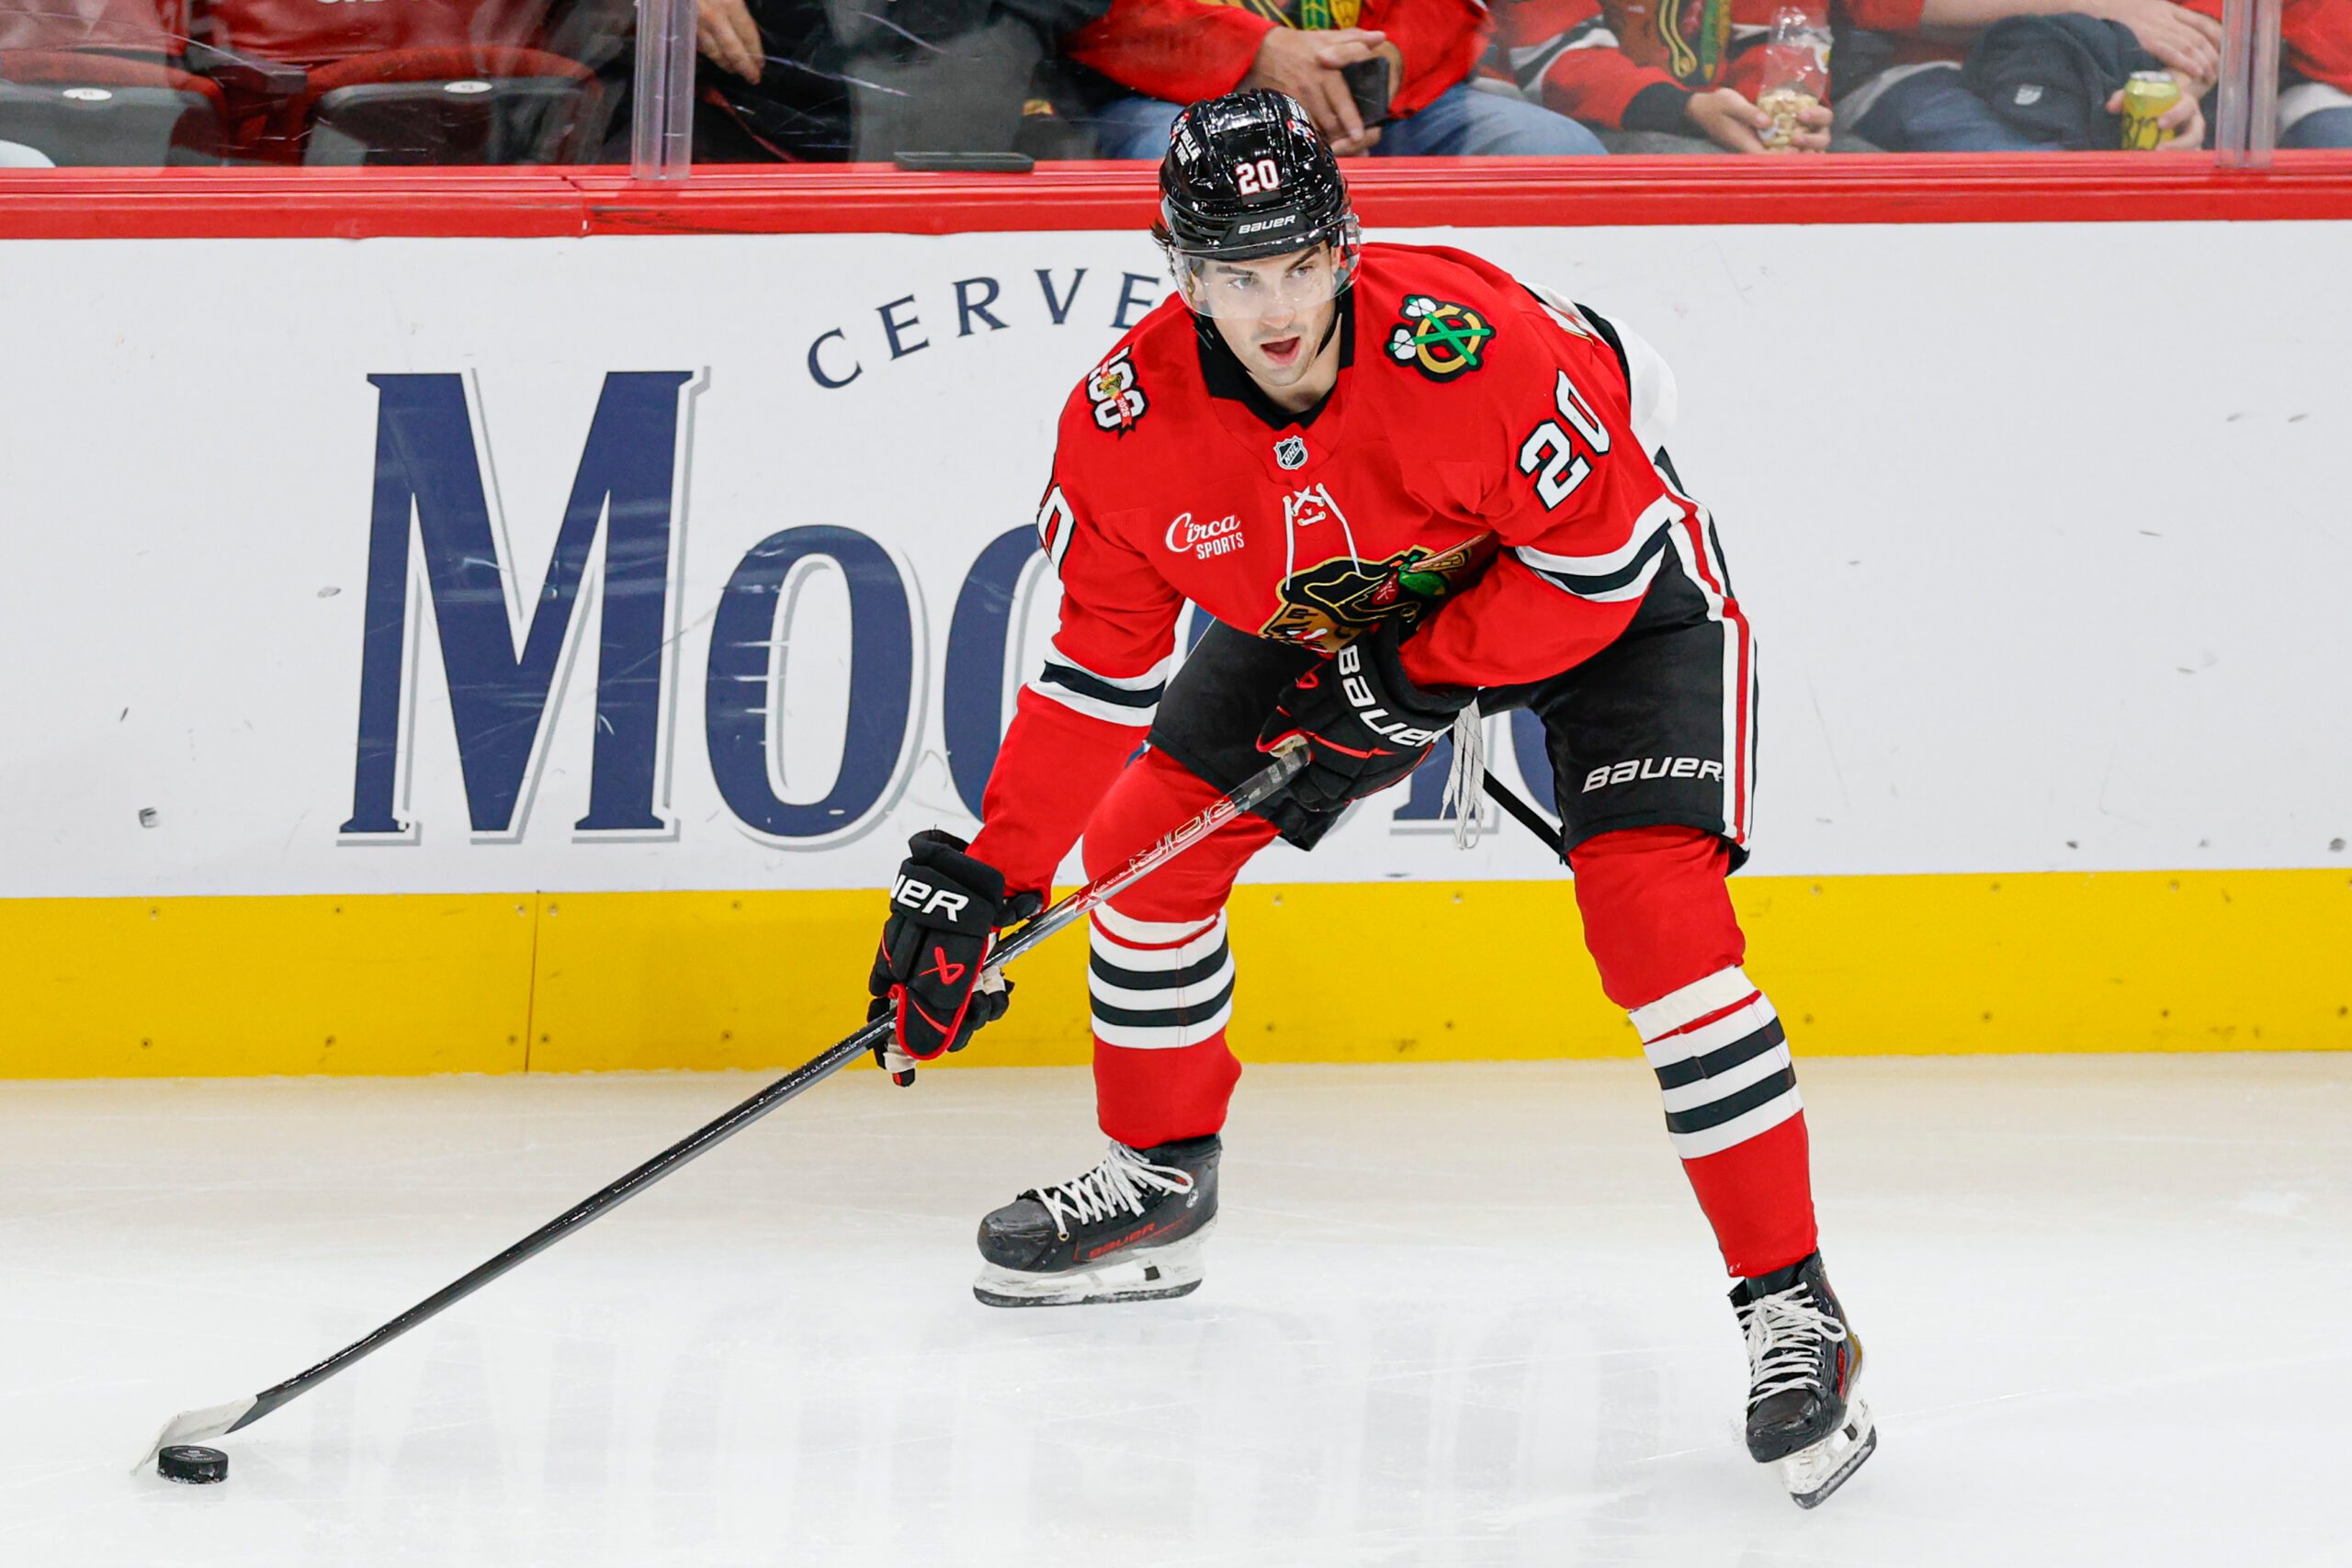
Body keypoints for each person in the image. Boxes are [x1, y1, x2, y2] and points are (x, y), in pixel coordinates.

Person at [864, 89, 1874, 1508]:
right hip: (1346, 624)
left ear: (1344, 247)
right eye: (1232, 272)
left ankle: (1794, 1306)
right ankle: (1159, 1178)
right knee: (1142, 856)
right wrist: (996, 872)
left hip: (1612, 609)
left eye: (1294, 264)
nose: (1271, 308)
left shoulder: (1472, 348)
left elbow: (1595, 571)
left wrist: (1428, 674)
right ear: (1181, 268)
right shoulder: (1127, 424)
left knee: (1656, 925)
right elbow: (1098, 665)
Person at [1059, 0, 1607, 158]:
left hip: (1377, 108)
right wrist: (1255, 53)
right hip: (1180, 101)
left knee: (1557, 150)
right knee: (1181, 159)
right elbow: (1085, 13)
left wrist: (1385, 63)